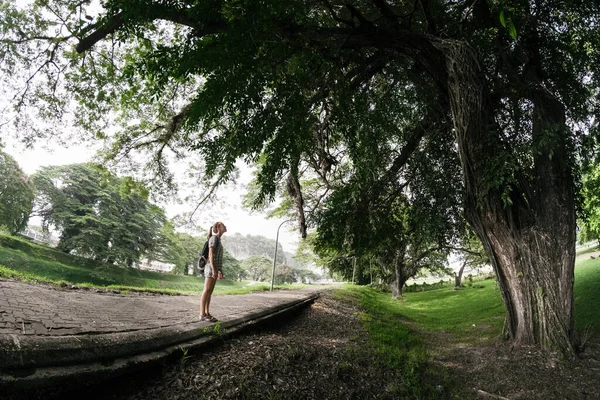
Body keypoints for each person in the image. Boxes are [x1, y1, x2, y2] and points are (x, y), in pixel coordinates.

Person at [200, 221, 227, 322]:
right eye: (223, 225)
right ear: (219, 227)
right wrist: (214, 269)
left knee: (210, 292)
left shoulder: (218, 240)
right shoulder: (214, 238)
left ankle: (207, 313)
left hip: (215, 268)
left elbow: (218, 257)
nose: (225, 226)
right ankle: (202, 314)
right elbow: (211, 255)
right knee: (206, 290)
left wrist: (220, 270)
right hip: (211, 268)